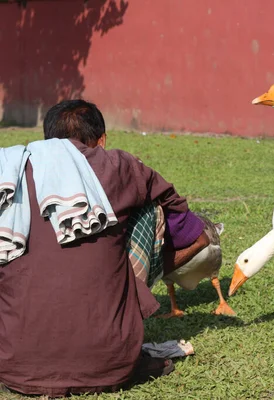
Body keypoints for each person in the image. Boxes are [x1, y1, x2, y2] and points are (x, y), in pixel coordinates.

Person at [0, 99, 209, 397]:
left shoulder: (9, 170)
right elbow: (187, 227)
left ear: (48, 140)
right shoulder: (118, 165)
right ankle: (114, 325)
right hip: (111, 366)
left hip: (14, 368)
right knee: (151, 210)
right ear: (102, 141)